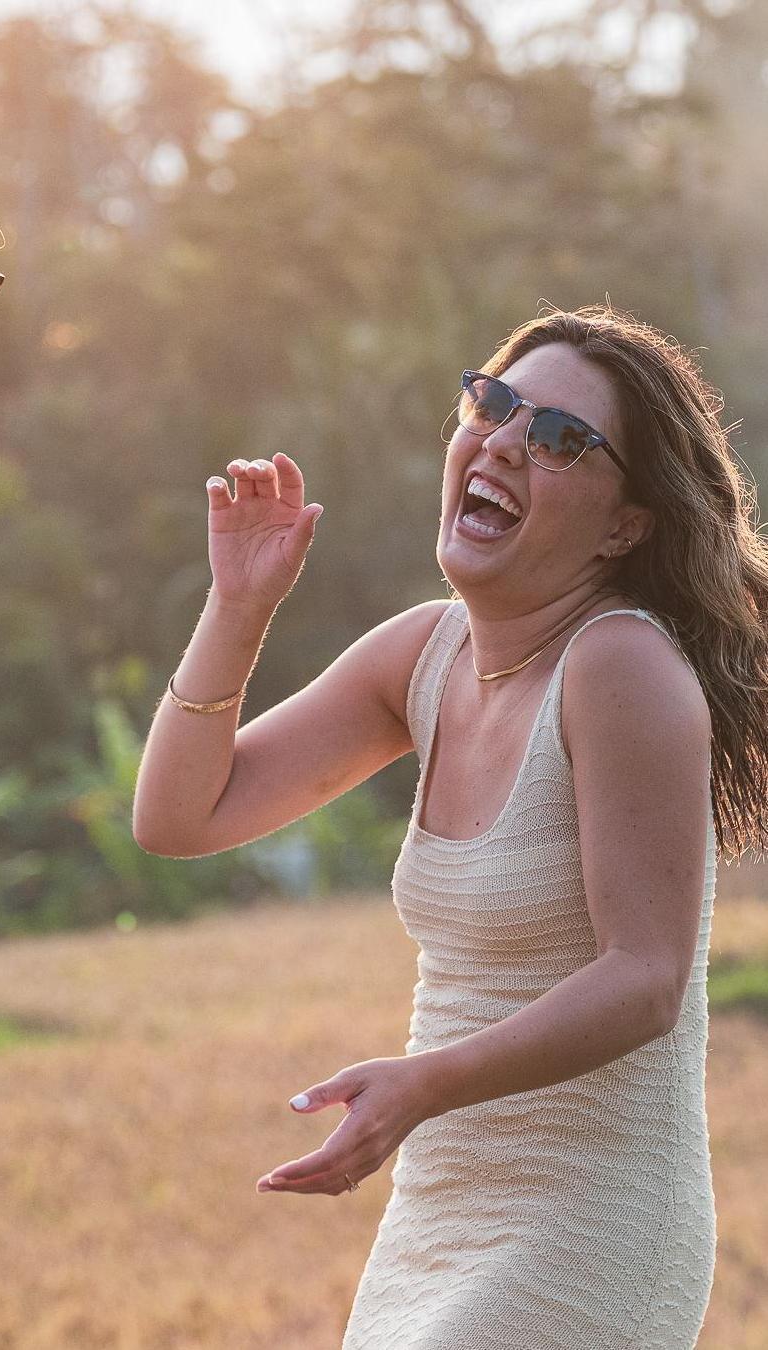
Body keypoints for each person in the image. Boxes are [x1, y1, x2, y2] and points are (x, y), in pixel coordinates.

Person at [132, 305, 768, 1348]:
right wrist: (240, 607)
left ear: (625, 526)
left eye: (561, 440)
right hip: (436, 1218)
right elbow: (176, 817)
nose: (507, 440)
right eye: (496, 403)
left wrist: (422, 1084)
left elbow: (645, 978)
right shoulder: (426, 656)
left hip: (592, 1225)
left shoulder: (620, 666)